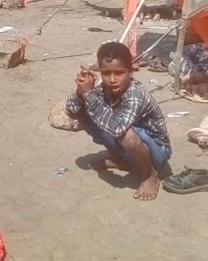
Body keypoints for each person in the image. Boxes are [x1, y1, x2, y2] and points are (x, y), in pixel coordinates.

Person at [66, 41, 171, 201]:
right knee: (85, 113)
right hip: (131, 138)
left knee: (124, 133)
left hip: (157, 150)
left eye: (119, 73)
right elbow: (71, 112)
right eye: (106, 73)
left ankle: (150, 174)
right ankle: (118, 159)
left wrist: (89, 95)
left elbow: (118, 128)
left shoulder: (136, 93)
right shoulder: (103, 89)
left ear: (130, 72)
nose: (112, 79)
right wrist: (81, 93)